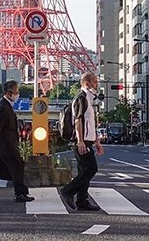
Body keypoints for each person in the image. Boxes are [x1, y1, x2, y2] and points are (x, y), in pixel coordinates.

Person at [59, 72, 103, 211]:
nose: (97, 85)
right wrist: (80, 141)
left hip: (87, 140)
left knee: (84, 170)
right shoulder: (81, 99)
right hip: (81, 141)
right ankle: (68, 191)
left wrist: (96, 141)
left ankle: (82, 201)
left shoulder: (88, 100)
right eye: (95, 82)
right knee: (91, 168)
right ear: (87, 84)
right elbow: (78, 120)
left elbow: (90, 123)